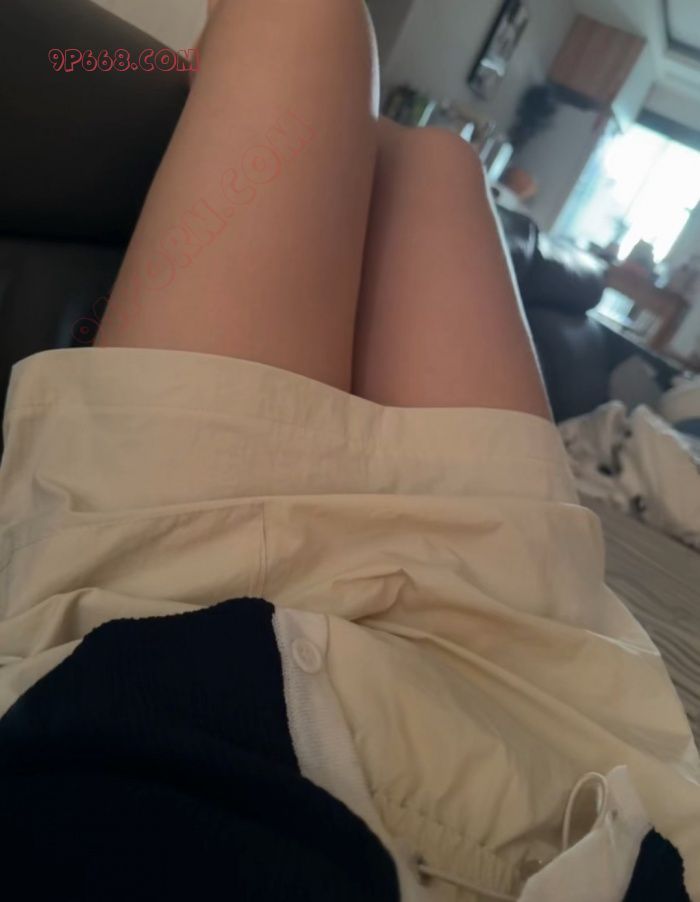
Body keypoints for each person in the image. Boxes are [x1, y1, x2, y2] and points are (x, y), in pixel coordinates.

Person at [0, 1, 698, 899]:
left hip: (185, 624)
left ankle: (212, 102)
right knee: (438, 159)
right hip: (545, 717)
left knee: (303, 14)